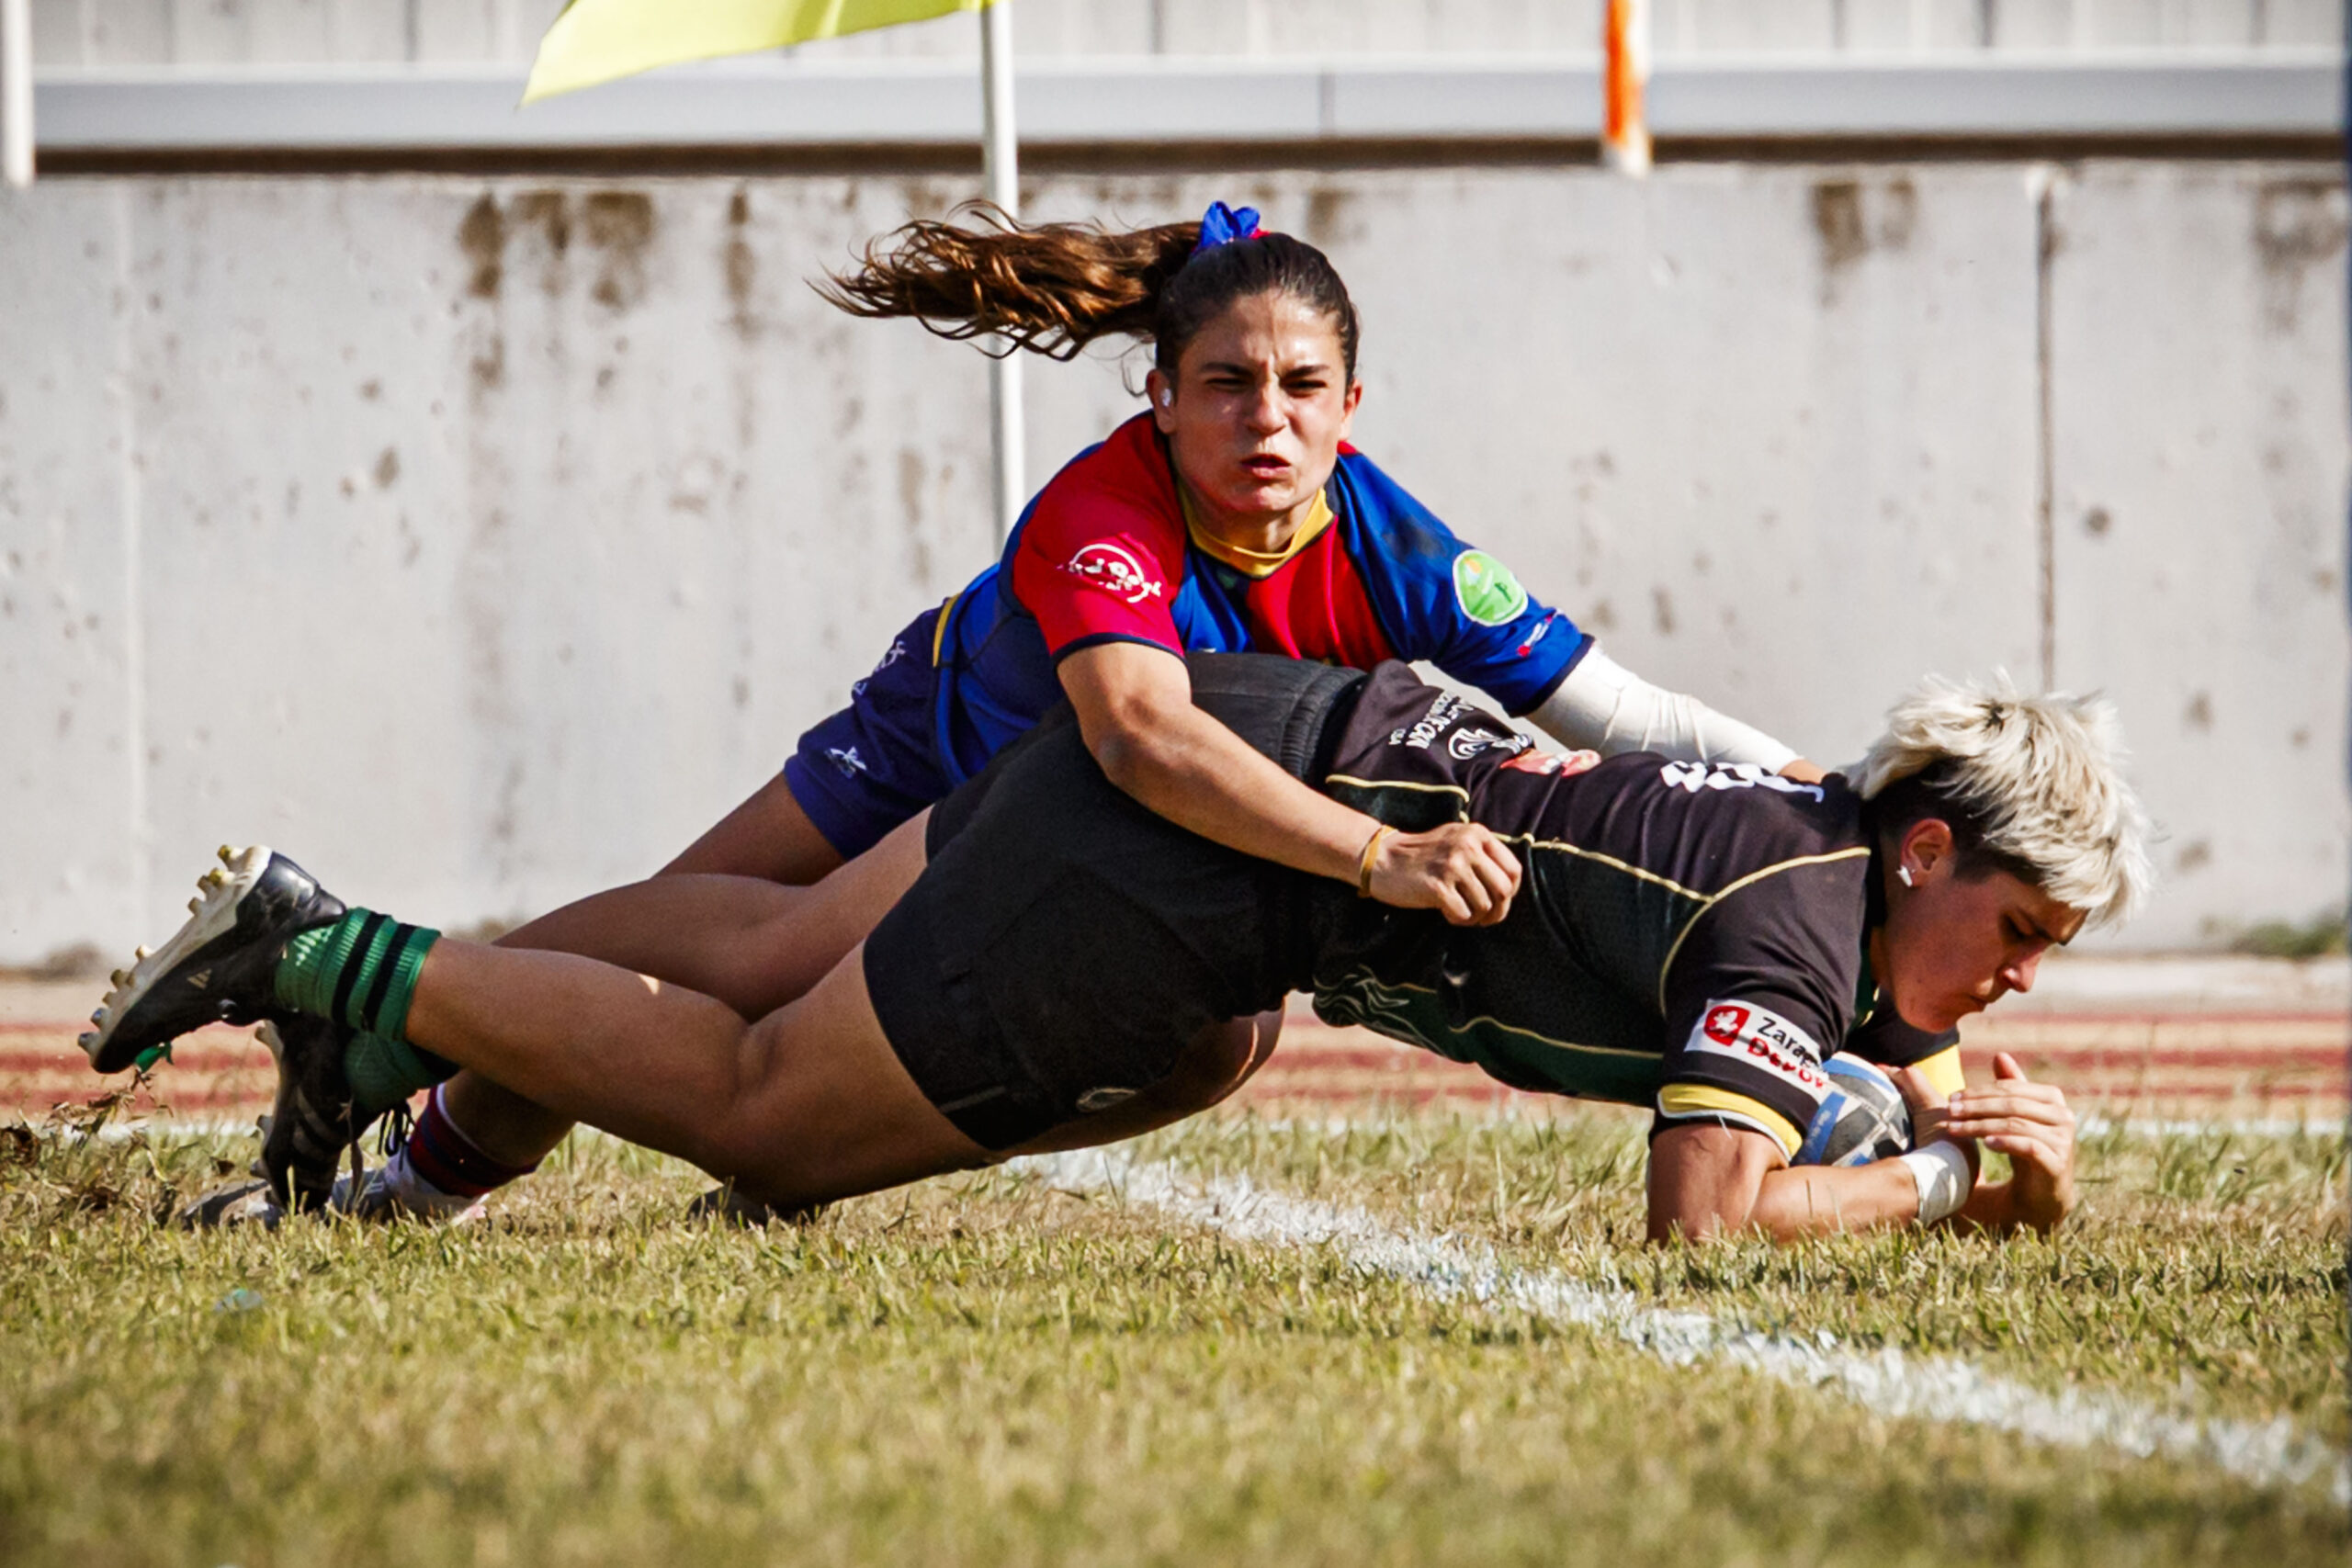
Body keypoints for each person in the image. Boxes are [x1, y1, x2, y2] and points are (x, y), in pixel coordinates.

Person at [151, 198, 1828, 1219]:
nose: (1267, 420)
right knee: (700, 969)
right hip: (933, 765)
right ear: (1155, 396)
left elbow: (1618, 708)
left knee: (1213, 1043)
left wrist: (1805, 791)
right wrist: (1376, 862)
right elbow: (1136, 738)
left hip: (1091, 834)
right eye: (1227, 384)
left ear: (1350, 408)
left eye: (1302, 390)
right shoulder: (1100, 511)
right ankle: (414, 1108)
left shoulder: (1379, 523)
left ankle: (462, 1047)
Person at [85, 654, 2149, 1242]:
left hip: (1234, 751)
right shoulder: (1786, 929)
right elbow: (1708, 1217)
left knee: (824, 969)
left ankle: (412, 1061)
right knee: (764, 1118)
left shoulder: (1819, 880)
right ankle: (336, 956)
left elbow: (1853, 1029)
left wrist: (1936, 1101)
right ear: (1911, 849)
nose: (2027, 973)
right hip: (1190, 856)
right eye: (2021, 926)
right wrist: (1934, 1176)